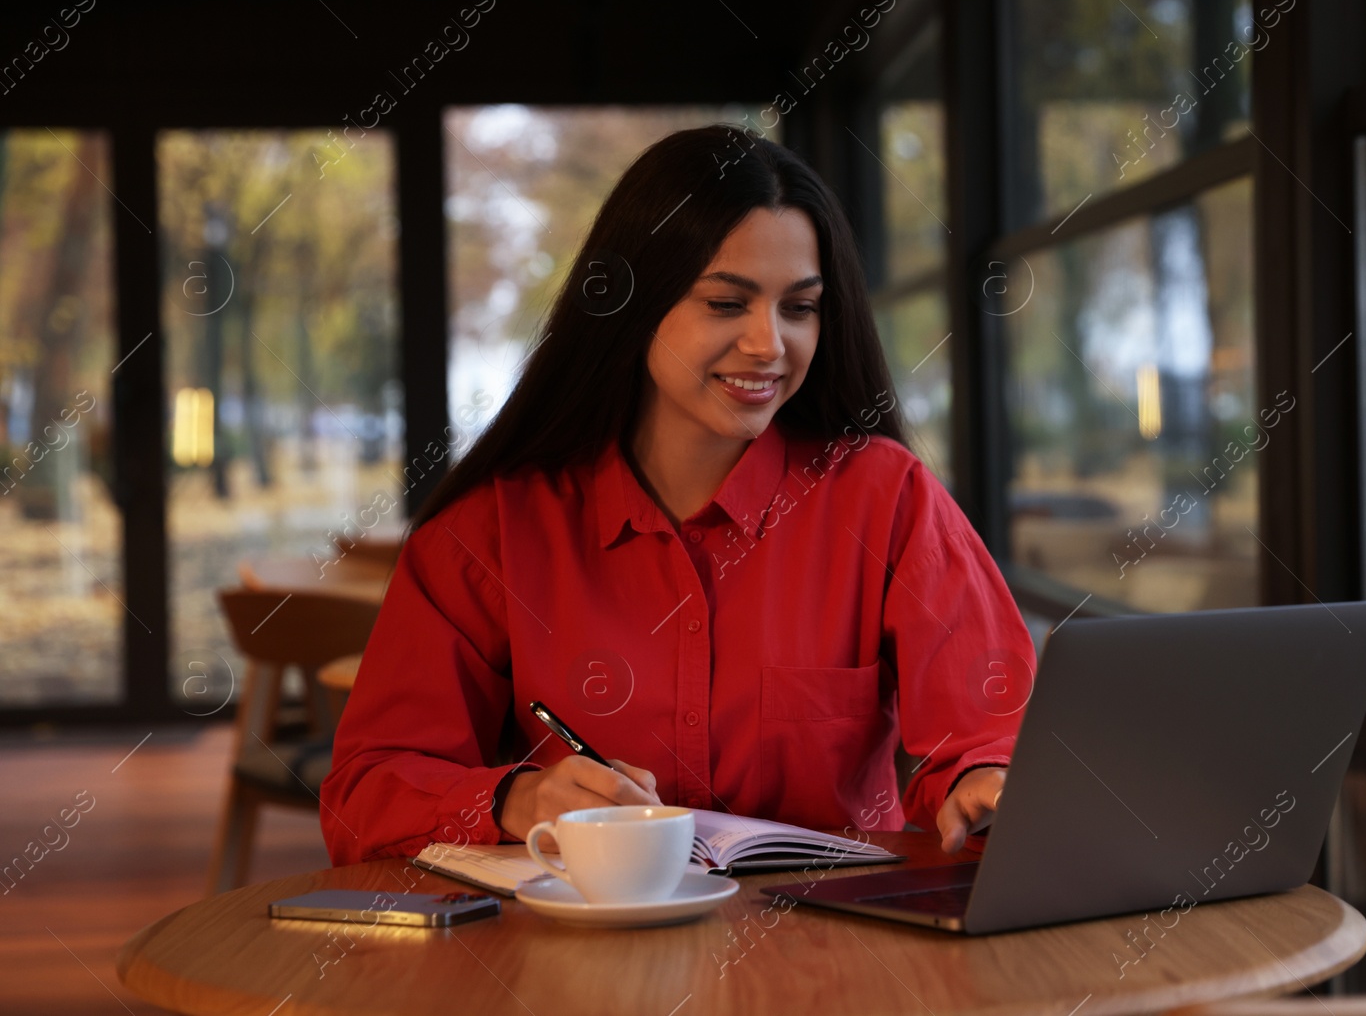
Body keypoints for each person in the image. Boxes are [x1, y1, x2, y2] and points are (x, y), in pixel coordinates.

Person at [320, 124, 1038, 868]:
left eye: (800, 307)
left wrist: (984, 781)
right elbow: (364, 791)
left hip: (838, 959)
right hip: (582, 959)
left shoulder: (887, 500)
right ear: (634, 304)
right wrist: (516, 799)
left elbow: (990, 739)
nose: (769, 344)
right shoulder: (494, 530)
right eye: (726, 303)